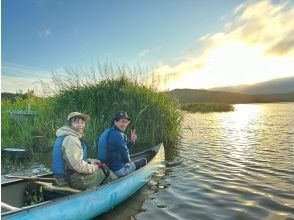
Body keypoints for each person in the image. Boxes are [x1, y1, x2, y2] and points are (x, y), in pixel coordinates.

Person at [52, 112, 117, 190]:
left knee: (98, 167)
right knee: (105, 172)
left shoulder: (64, 136)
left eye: (82, 122)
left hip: (64, 178)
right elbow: (77, 165)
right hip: (76, 181)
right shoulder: (71, 139)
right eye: (76, 122)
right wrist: (94, 167)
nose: (80, 125)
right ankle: (113, 190)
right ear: (70, 124)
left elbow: (71, 161)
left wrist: (89, 161)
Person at [97, 111, 147, 177]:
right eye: (122, 121)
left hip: (108, 168)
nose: (125, 124)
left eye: (126, 122)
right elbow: (125, 153)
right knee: (144, 160)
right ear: (115, 121)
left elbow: (122, 148)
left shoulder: (110, 132)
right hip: (119, 171)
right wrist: (130, 163)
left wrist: (132, 141)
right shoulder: (118, 135)